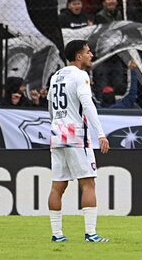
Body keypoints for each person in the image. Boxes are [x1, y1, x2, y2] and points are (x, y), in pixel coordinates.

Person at [47, 39, 110, 242]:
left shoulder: (55, 76)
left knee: (58, 186)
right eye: (88, 52)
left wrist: (57, 124)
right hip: (75, 134)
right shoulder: (80, 75)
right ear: (79, 56)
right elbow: (88, 104)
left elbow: (50, 106)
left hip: (57, 132)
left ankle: (57, 235)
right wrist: (100, 133)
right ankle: (91, 233)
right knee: (88, 183)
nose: (91, 55)